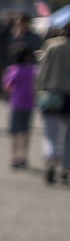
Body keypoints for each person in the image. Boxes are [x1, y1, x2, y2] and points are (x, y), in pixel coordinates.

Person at [36, 25, 70, 184]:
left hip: (52, 93)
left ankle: (51, 157)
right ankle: (65, 166)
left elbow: (43, 71)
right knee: (68, 135)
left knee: (50, 132)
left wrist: (39, 89)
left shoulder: (52, 45)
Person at [2, 47, 36, 168]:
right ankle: (24, 157)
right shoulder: (34, 70)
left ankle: (14, 157)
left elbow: (7, 87)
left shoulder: (12, 70)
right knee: (25, 131)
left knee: (15, 132)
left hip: (16, 103)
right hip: (30, 103)